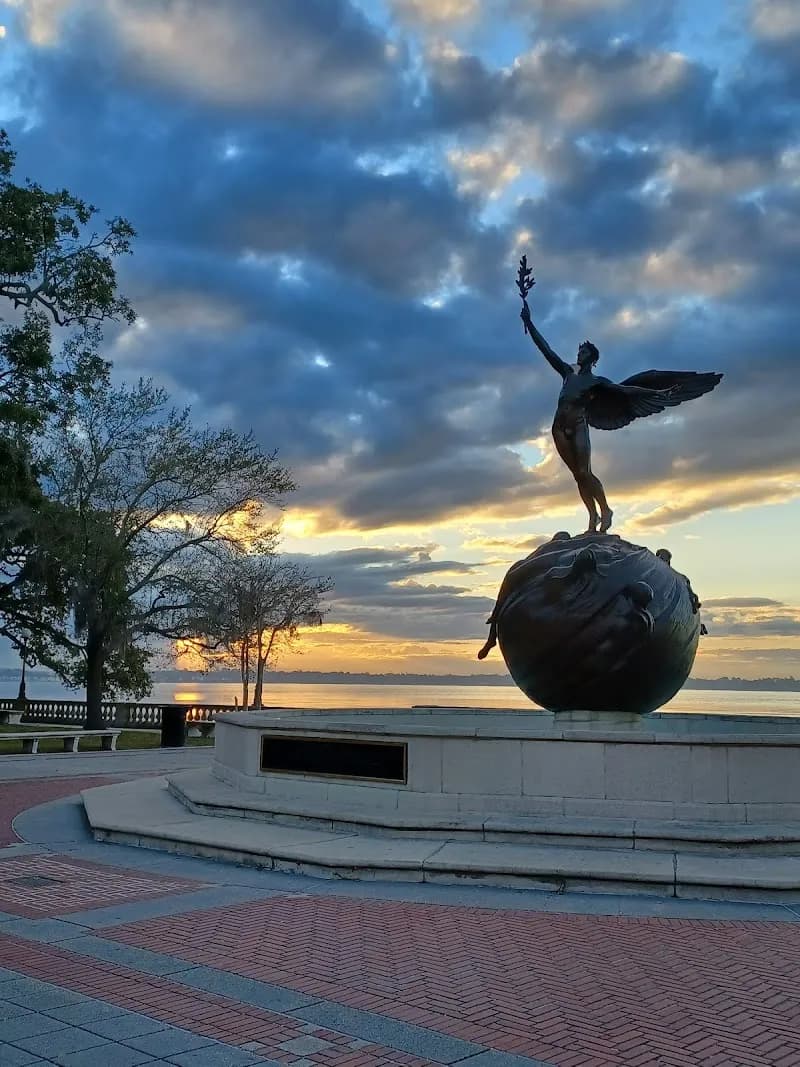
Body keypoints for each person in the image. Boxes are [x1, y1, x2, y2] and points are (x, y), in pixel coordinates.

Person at [519, 298, 722, 534]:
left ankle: (605, 510)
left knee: (585, 472)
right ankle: (592, 517)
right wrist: (529, 322)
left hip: (578, 424)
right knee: (577, 476)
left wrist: (658, 391)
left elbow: (626, 390)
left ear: (592, 358)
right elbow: (546, 349)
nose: (579, 354)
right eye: (579, 351)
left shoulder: (596, 382)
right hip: (559, 426)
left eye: (583, 352)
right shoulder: (567, 373)